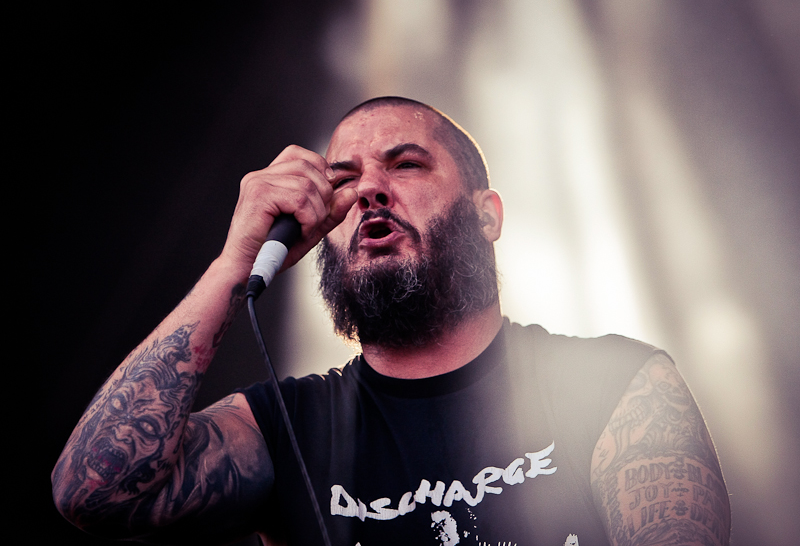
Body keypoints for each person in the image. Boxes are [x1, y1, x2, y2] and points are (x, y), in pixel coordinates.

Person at [52, 97, 731, 545]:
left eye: (405, 164)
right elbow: (94, 491)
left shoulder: (616, 381)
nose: (371, 189)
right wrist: (236, 259)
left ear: (487, 214)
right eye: (344, 180)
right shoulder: (288, 427)